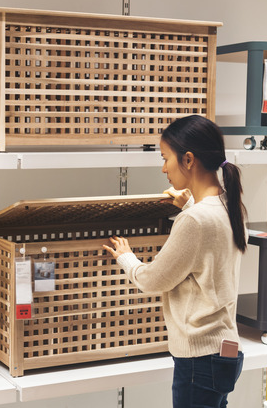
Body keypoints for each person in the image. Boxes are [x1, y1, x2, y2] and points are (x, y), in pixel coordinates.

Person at [103, 115, 247, 408]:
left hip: (200, 358)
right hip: (228, 351)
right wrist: (189, 202)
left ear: (189, 159)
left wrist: (126, 257)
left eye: (165, 157)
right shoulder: (231, 206)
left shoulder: (193, 221)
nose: (163, 167)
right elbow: (209, 237)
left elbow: (153, 279)